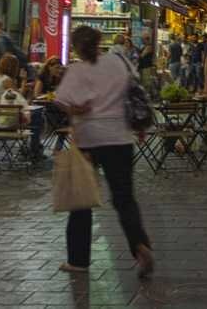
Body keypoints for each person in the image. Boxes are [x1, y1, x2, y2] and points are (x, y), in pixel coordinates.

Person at [54, 25, 153, 278]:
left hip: (88, 140)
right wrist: (140, 126)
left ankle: (78, 260)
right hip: (120, 137)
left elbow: (61, 101)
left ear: (76, 47)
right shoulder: (118, 61)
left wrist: (77, 110)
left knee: (81, 200)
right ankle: (140, 245)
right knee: (124, 198)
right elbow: (135, 91)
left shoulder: (77, 70)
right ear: (99, 42)